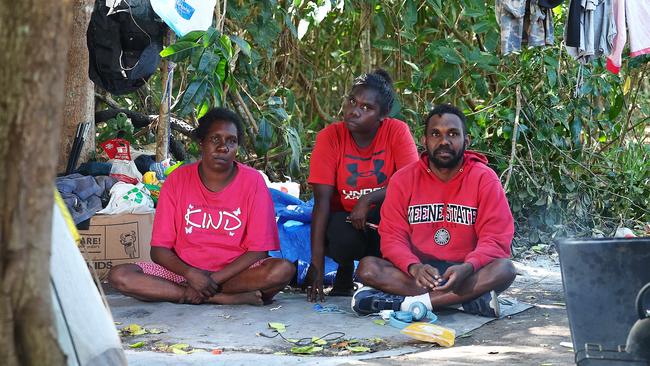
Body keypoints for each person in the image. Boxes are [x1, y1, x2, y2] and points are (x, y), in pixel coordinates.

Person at [108, 108, 295, 305]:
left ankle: (190, 295)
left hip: (234, 276)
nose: (223, 147)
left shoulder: (253, 181)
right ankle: (221, 299)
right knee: (120, 275)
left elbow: (259, 250)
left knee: (282, 270)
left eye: (231, 141)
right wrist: (192, 275)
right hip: (182, 274)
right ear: (201, 143)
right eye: (215, 139)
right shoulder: (177, 181)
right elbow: (159, 250)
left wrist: (211, 280)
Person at [352, 104, 517, 317]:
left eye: (453, 134)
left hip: (465, 272)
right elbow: (392, 237)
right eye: (435, 134)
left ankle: (407, 304)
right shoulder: (403, 179)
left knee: (504, 269)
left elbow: (496, 239)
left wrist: (469, 267)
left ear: (466, 141)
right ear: (424, 141)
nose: (444, 141)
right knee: (367, 268)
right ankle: (462, 302)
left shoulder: (484, 178)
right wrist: (414, 267)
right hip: (419, 273)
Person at [305, 69, 419, 302]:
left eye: (366, 108)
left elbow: (412, 182)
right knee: (340, 236)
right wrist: (316, 265)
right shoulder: (330, 137)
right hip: (347, 220)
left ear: (382, 115)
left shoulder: (397, 131)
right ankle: (344, 269)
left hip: (387, 217)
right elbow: (322, 203)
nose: (354, 111)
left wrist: (368, 199)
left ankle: (383, 272)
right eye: (352, 101)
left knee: (396, 230)